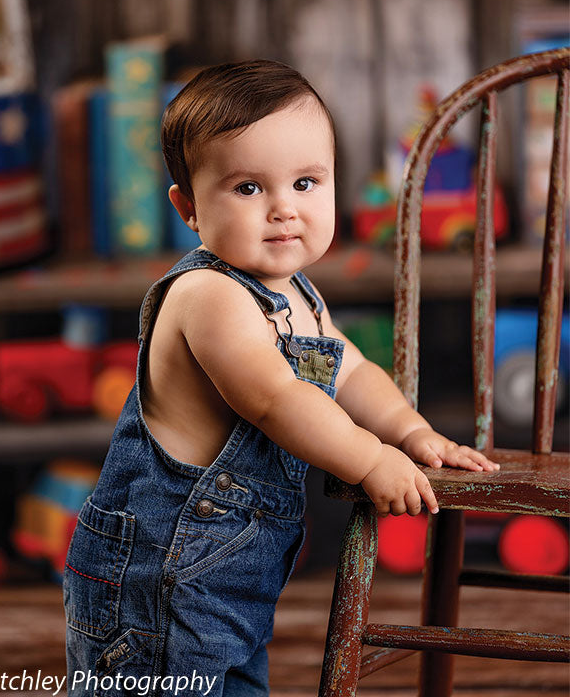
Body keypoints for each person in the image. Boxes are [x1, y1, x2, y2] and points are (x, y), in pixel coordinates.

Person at [63, 60, 499, 696]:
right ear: (188, 207)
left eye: (305, 182)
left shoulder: (298, 293)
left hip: (224, 580)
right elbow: (275, 399)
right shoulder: (208, 295)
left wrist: (410, 431)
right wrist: (371, 459)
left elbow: (350, 370)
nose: (283, 210)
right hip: (155, 580)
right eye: (247, 188)